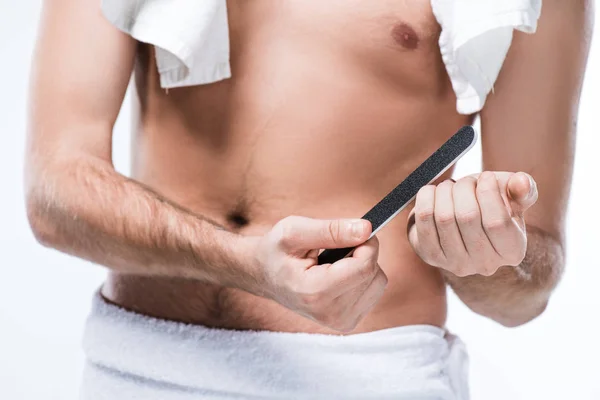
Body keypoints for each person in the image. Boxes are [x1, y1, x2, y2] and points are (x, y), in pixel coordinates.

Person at [25, 0, 592, 398]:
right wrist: (243, 263)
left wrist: (484, 256)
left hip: (371, 377)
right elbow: (56, 189)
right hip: (139, 369)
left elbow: (528, 288)